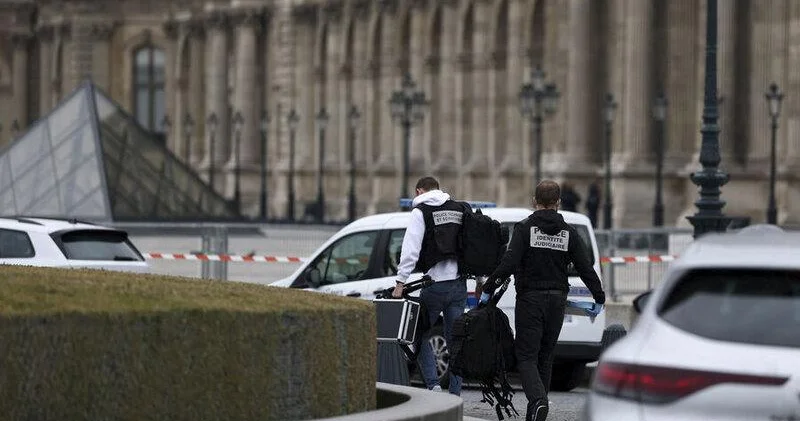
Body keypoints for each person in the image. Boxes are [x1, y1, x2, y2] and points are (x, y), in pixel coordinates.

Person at [483, 180, 606, 421]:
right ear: (558, 203)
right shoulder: (568, 232)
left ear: (534, 202)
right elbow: (585, 268)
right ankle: (537, 410)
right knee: (546, 354)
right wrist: (599, 295)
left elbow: (508, 263)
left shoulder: (525, 228)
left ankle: (538, 401)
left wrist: (488, 289)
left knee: (526, 355)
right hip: (558, 300)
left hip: (530, 299)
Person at [392, 176, 466, 395]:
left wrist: (400, 281)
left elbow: (411, 249)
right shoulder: (459, 209)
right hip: (459, 284)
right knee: (456, 341)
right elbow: (471, 245)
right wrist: (480, 280)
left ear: (418, 191)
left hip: (434, 285)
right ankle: (455, 393)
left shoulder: (420, 212)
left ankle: (433, 385)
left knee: (418, 333)